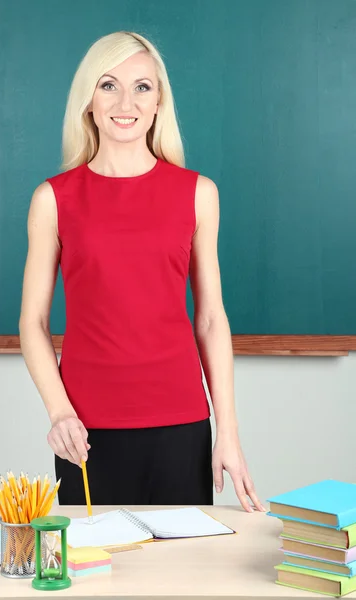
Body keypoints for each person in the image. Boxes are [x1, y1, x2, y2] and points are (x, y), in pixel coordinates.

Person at [19, 30, 266, 513]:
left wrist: (227, 432)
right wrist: (59, 411)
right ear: (88, 100)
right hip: (85, 431)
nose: (125, 101)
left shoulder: (198, 193)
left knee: (180, 578)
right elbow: (33, 323)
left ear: (159, 103)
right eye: (108, 85)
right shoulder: (53, 199)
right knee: (98, 578)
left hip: (182, 424)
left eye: (143, 87)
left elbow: (212, 318)